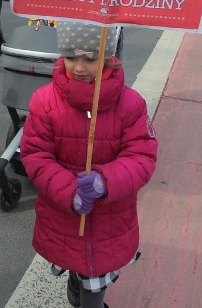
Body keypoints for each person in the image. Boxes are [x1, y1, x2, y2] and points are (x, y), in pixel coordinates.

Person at [20, 21, 158, 308]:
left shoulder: (131, 104)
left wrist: (105, 181)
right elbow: (36, 156)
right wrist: (69, 190)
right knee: (77, 262)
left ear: (107, 57)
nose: (79, 67)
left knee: (96, 278)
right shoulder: (45, 102)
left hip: (111, 214)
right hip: (65, 212)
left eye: (90, 58)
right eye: (71, 57)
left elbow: (142, 156)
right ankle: (76, 282)